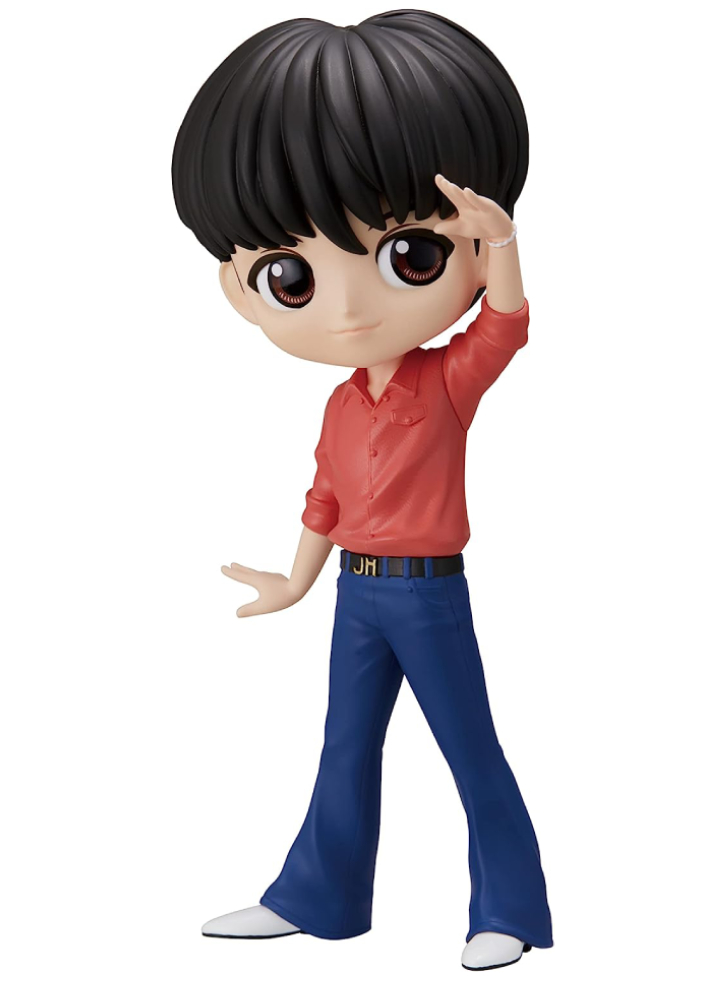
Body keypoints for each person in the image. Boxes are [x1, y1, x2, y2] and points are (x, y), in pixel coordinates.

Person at [172, 10, 553, 970]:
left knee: (470, 748)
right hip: (355, 592)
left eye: (407, 254)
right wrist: (295, 581)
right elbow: (324, 500)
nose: (346, 310)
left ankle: (507, 909)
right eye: (291, 274)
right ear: (238, 287)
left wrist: (503, 243)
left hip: (427, 592)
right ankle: (317, 897)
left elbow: (504, 327)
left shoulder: (447, 379)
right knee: (343, 747)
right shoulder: (341, 404)